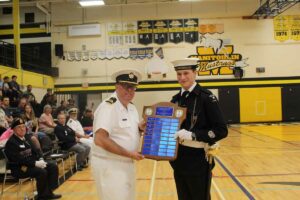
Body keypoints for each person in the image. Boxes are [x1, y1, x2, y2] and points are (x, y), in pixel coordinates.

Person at [170, 58, 228, 200]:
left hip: (198, 161)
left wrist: (194, 135)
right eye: (179, 74)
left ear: (195, 73)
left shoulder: (206, 98)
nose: (182, 77)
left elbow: (221, 130)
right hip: (179, 160)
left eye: (186, 73)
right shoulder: (175, 99)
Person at [92, 69, 145, 200]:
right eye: (126, 87)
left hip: (126, 163)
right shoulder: (108, 106)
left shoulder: (131, 107)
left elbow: (125, 133)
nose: (130, 91)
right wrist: (130, 153)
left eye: (133, 88)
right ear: (117, 86)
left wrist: (139, 128)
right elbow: (100, 139)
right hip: (111, 166)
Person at [4, 118, 62, 200]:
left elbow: (36, 151)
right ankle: (42, 196)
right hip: (20, 168)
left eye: (23, 126)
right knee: (41, 172)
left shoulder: (26, 138)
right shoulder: (12, 142)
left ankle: (49, 191)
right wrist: (35, 163)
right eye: (19, 127)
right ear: (14, 129)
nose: (22, 129)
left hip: (31, 164)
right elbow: (19, 160)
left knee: (52, 166)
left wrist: (41, 158)